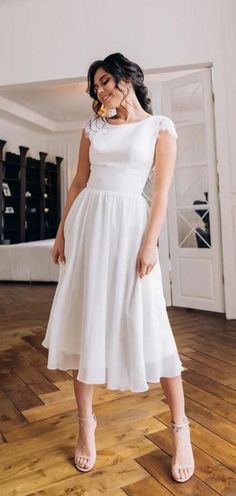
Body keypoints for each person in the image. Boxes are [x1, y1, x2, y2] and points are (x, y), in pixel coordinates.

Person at [42, 52, 195, 482]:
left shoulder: (159, 127)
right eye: (96, 87)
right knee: (84, 322)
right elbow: (78, 182)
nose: (102, 91)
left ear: (127, 78)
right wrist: (61, 233)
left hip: (131, 229)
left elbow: (161, 194)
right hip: (89, 226)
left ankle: (180, 430)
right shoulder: (93, 128)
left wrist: (150, 243)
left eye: (107, 81)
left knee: (150, 323)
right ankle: (85, 427)